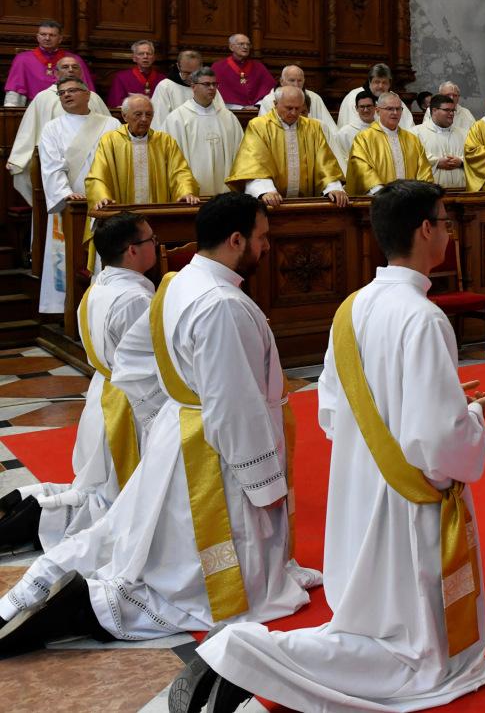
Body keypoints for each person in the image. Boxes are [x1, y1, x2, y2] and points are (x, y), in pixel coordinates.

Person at [175, 181, 485, 713]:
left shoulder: (354, 304)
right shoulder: (423, 316)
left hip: (361, 479)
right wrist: (474, 418)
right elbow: (439, 440)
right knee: (408, 652)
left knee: (374, 618)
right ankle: (242, 653)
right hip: (406, 496)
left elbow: (331, 405)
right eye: (446, 220)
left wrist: (410, 410)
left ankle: (242, 656)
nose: (449, 232)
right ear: (426, 229)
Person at [0, 193, 321, 655]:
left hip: (185, 431)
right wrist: (265, 483)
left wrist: (166, 414)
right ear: (235, 239)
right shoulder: (220, 304)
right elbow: (234, 405)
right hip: (212, 449)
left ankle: (59, 583)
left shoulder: (179, 281)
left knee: (155, 536)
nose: (268, 247)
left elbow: (132, 361)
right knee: (201, 570)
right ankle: (90, 608)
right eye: (262, 237)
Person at [0, 213, 155, 553]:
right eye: (151, 240)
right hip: (129, 404)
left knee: (99, 486)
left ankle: (22, 503)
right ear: (132, 250)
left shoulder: (99, 287)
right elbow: (146, 366)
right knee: (116, 499)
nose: (156, 245)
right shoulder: (134, 300)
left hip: (104, 394)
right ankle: (25, 523)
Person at [36, 77, 120, 314]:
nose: (66, 95)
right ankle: (67, 308)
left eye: (72, 90)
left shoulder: (111, 124)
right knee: (67, 256)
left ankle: (104, 306)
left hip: (104, 204)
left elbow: (117, 163)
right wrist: (65, 194)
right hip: (71, 204)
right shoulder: (52, 128)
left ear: (87, 95)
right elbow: (51, 167)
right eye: (61, 93)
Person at [6, 57, 110, 207]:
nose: (70, 70)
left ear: (81, 73)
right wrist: (18, 157)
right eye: (65, 67)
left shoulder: (93, 97)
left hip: (95, 169)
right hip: (56, 165)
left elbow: (108, 130)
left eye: (75, 67)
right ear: (55, 73)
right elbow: (28, 131)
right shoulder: (43, 98)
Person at [226, 86, 348, 208]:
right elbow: (254, 164)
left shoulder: (313, 128)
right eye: (289, 108)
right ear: (275, 104)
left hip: (307, 203)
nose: (294, 113)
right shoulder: (259, 126)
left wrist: (333, 187)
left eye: (298, 108)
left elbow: (325, 163)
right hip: (272, 204)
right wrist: (265, 190)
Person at [84, 94, 200, 210]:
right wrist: (102, 196)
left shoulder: (165, 141)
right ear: (125, 116)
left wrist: (186, 192)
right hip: (122, 214)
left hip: (157, 213)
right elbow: (98, 175)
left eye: (148, 114)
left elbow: (180, 172)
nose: (144, 119)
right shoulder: (110, 141)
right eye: (138, 114)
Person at [154, 67, 243, 197]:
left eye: (214, 84)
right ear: (193, 87)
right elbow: (170, 158)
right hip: (191, 195)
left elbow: (240, 152)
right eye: (207, 84)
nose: (212, 88)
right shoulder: (177, 119)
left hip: (225, 194)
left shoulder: (227, 117)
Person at [346, 92, 436, 195]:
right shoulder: (364, 138)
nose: (395, 113)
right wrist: (380, 191)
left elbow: (424, 169)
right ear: (378, 111)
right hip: (379, 199)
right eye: (390, 109)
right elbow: (361, 167)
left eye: (398, 109)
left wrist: (423, 192)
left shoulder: (412, 139)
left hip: (410, 200)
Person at [4, 20, 93, 104]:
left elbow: (86, 90)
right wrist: (12, 114)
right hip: (34, 107)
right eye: (43, 34)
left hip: (67, 108)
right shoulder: (22, 59)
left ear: (60, 39)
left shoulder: (74, 60)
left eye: (52, 35)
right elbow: (15, 90)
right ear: (38, 37)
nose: (47, 38)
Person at [337, 63, 416, 131]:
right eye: (377, 82)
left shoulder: (394, 98)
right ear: (369, 82)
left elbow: (408, 126)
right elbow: (353, 129)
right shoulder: (354, 97)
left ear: (390, 84)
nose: (380, 86)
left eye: (384, 83)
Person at [255, 65, 336, 130]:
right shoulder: (270, 99)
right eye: (292, 80)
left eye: (299, 81)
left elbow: (329, 128)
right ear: (282, 81)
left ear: (304, 81)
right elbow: (263, 127)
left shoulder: (314, 98)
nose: (296, 85)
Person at [418, 93, 468, 190]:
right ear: (434, 110)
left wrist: (461, 162)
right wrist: (437, 162)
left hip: (463, 192)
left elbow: (475, 156)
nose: (451, 113)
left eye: (453, 110)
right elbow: (414, 160)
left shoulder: (465, 134)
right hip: (430, 194)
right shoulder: (416, 133)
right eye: (446, 110)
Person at [214, 33, 275, 108]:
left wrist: (257, 106)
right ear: (231, 47)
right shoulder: (218, 67)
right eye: (241, 44)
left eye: (248, 44)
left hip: (255, 110)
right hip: (230, 110)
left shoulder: (259, 67)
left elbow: (269, 89)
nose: (245, 47)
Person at [105, 39, 166, 107]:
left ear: (154, 58)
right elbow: (116, 104)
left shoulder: (162, 79)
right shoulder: (121, 78)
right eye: (141, 54)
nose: (145, 56)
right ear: (134, 58)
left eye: (148, 53)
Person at [151, 49, 203, 124]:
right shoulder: (165, 87)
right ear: (178, 66)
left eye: (195, 73)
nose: (191, 77)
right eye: (186, 73)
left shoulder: (207, 86)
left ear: (201, 68)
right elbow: (158, 121)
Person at [331, 89, 378, 170]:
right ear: (356, 108)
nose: (366, 110)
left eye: (369, 106)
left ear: (375, 107)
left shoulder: (384, 129)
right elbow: (340, 159)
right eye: (362, 107)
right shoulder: (345, 133)